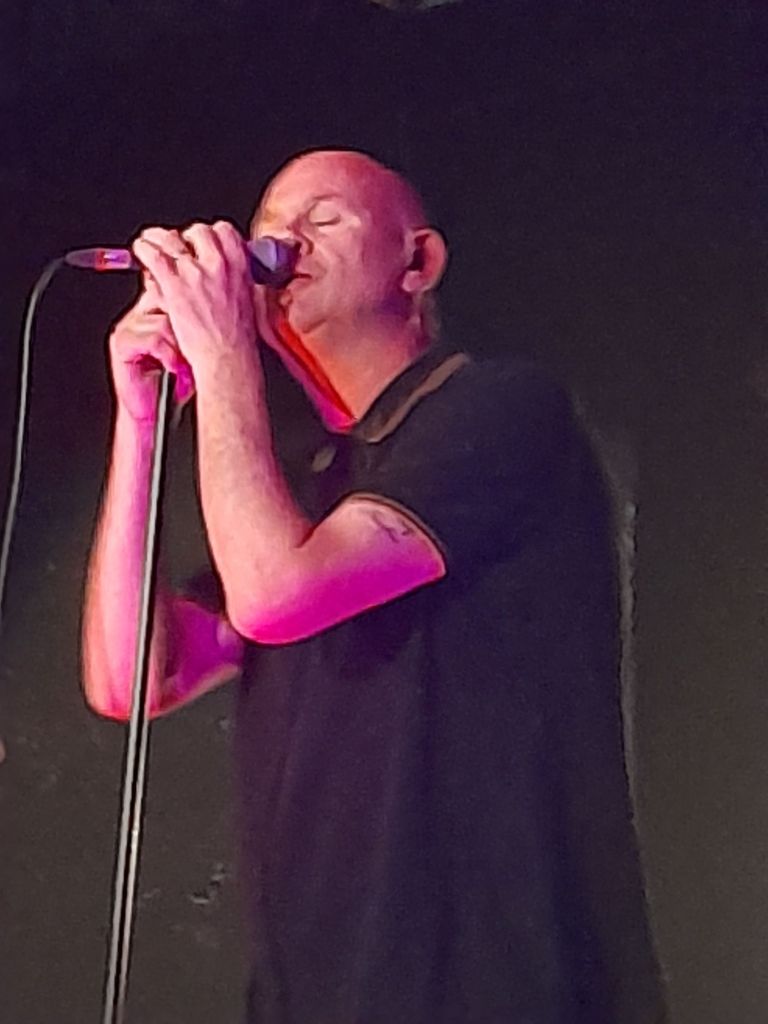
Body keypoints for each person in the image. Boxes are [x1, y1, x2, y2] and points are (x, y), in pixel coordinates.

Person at [81, 148, 667, 1023]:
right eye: (270, 227)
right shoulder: (313, 493)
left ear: (417, 263)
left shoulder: (501, 409)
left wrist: (225, 351)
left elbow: (277, 595)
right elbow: (132, 678)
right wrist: (140, 421)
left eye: (323, 219)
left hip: (487, 990)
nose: (284, 243)